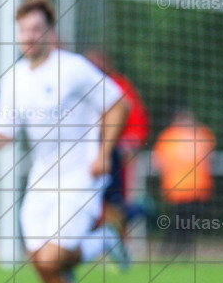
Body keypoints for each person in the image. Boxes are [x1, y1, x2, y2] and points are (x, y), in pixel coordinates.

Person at [0, 0, 130, 283]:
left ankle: (104, 238)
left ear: (50, 32)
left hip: (80, 176)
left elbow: (118, 103)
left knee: (50, 258)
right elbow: (5, 134)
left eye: (36, 29)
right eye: (24, 30)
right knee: (38, 257)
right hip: (42, 180)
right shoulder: (14, 78)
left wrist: (104, 153)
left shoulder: (72, 68)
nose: (29, 36)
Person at [83, 48, 151, 239]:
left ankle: (137, 213)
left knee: (113, 200)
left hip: (112, 150)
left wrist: (131, 141)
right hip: (86, 153)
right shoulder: (80, 84)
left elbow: (134, 115)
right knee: (92, 201)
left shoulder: (117, 85)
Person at [152, 108, 215, 255]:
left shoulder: (201, 133)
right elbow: (160, 160)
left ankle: (184, 248)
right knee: (178, 220)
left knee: (191, 220)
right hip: (177, 187)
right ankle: (169, 249)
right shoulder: (169, 137)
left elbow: (208, 153)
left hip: (198, 186)